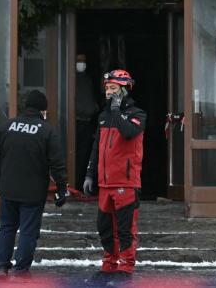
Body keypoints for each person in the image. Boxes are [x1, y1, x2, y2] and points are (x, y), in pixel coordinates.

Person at [0, 90, 67, 279]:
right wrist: (62, 189)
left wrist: (0, 180)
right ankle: (21, 269)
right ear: (42, 111)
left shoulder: (6, 126)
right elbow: (57, 163)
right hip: (33, 192)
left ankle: (1, 267)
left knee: (7, 227)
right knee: (28, 230)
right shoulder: (46, 130)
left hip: (8, 189)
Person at [83, 69, 147, 278]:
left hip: (126, 182)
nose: (109, 92)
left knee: (126, 228)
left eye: (113, 88)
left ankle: (126, 265)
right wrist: (90, 174)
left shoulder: (137, 114)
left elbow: (128, 132)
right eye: (107, 88)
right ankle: (109, 262)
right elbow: (96, 147)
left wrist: (117, 111)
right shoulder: (103, 116)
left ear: (125, 89)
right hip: (104, 183)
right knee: (104, 228)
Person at [75, 53, 99, 190]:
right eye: (78, 60)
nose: (81, 63)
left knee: (85, 156)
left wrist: (94, 107)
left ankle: (80, 185)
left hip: (87, 122)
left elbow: (91, 100)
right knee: (75, 156)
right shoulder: (71, 79)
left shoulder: (88, 80)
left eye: (83, 61)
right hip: (75, 123)